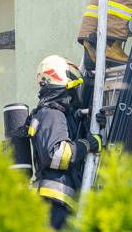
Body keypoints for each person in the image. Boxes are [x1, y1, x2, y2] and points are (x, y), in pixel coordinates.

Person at [31, 55, 104, 230]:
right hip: (55, 204)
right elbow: (57, 154)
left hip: (60, 203)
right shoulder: (52, 114)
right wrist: (87, 144)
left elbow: (69, 134)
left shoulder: (55, 114)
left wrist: (94, 122)